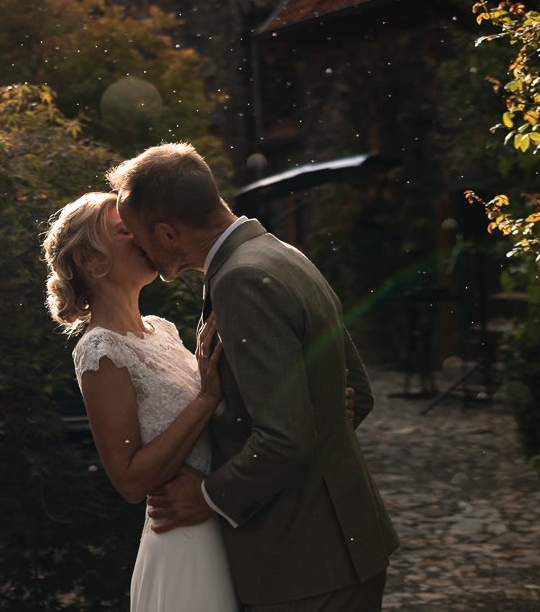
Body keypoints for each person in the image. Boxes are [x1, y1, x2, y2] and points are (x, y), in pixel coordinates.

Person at [107, 143, 398, 612]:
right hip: (346, 547)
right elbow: (355, 395)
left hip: (304, 564)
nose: (138, 247)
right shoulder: (281, 253)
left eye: (139, 235)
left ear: (167, 232)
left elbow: (286, 438)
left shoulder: (240, 282)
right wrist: (315, 415)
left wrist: (208, 496)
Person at [43, 192, 241, 611]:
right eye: (124, 231)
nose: (142, 236)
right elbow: (130, 481)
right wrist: (206, 398)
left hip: (217, 523)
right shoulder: (99, 350)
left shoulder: (162, 331)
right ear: (88, 259)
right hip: (184, 542)